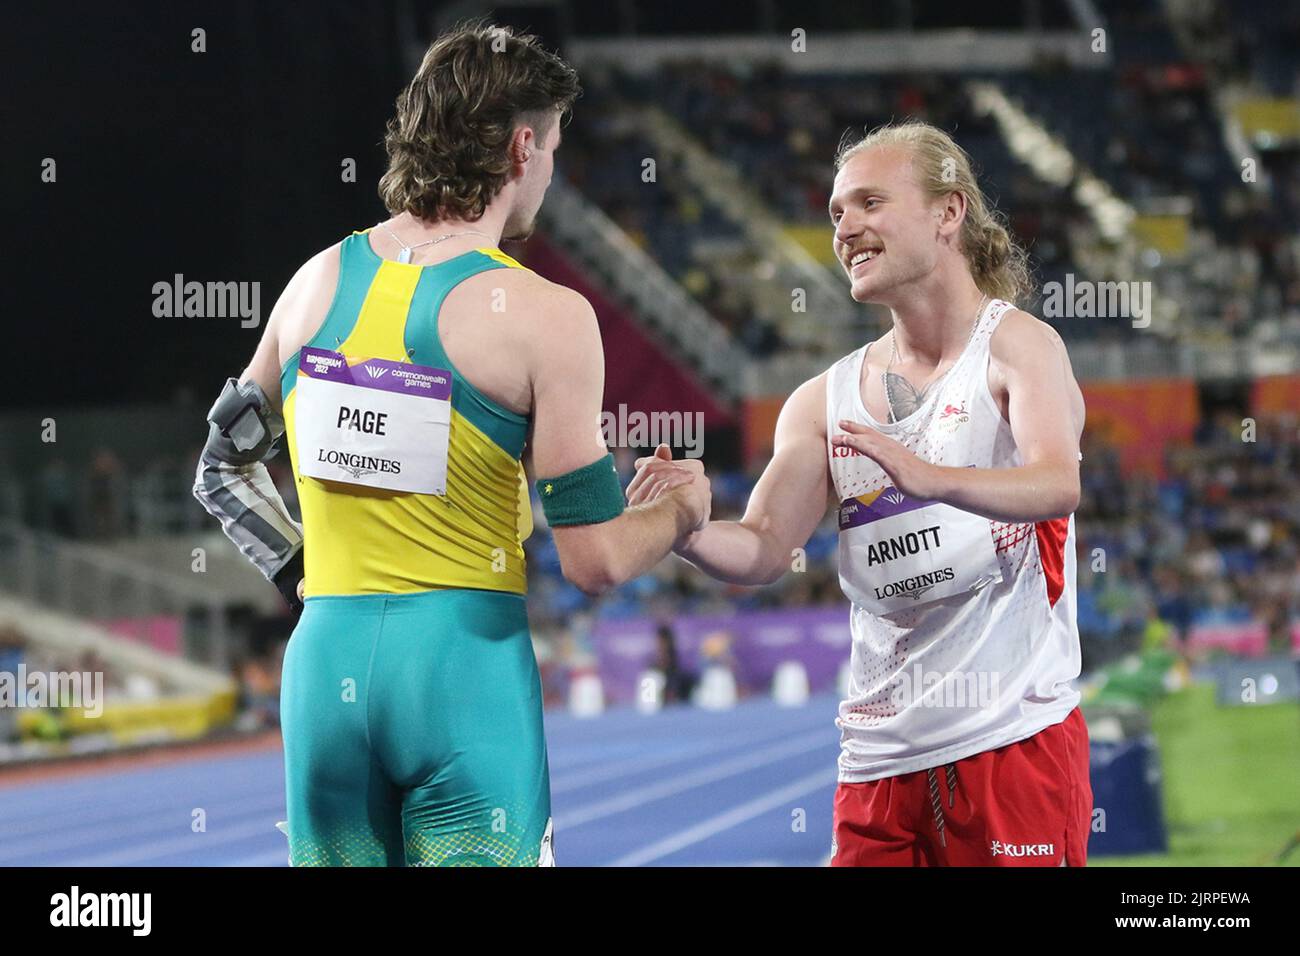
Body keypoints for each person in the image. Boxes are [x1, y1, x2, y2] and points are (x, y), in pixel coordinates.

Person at [192, 21, 709, 866]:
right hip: (464, 671)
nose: (550, 173)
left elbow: (221, 471)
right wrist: (684, 511)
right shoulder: (547, 316)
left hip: (325, 671)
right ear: (521, 146)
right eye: (552, 151)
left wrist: (309, 577)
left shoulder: (312, 284)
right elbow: (596, 560)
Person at [629, 120, 1091, 866]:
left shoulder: (1018, 348)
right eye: (837, 211)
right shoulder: (822, 399)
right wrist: (686, 522)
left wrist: (929, 478)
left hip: (1011, 741)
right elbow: (762, 548)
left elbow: (1056, 482)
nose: (846, 227)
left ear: (949, 213)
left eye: (870, 202)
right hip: (878, 764)